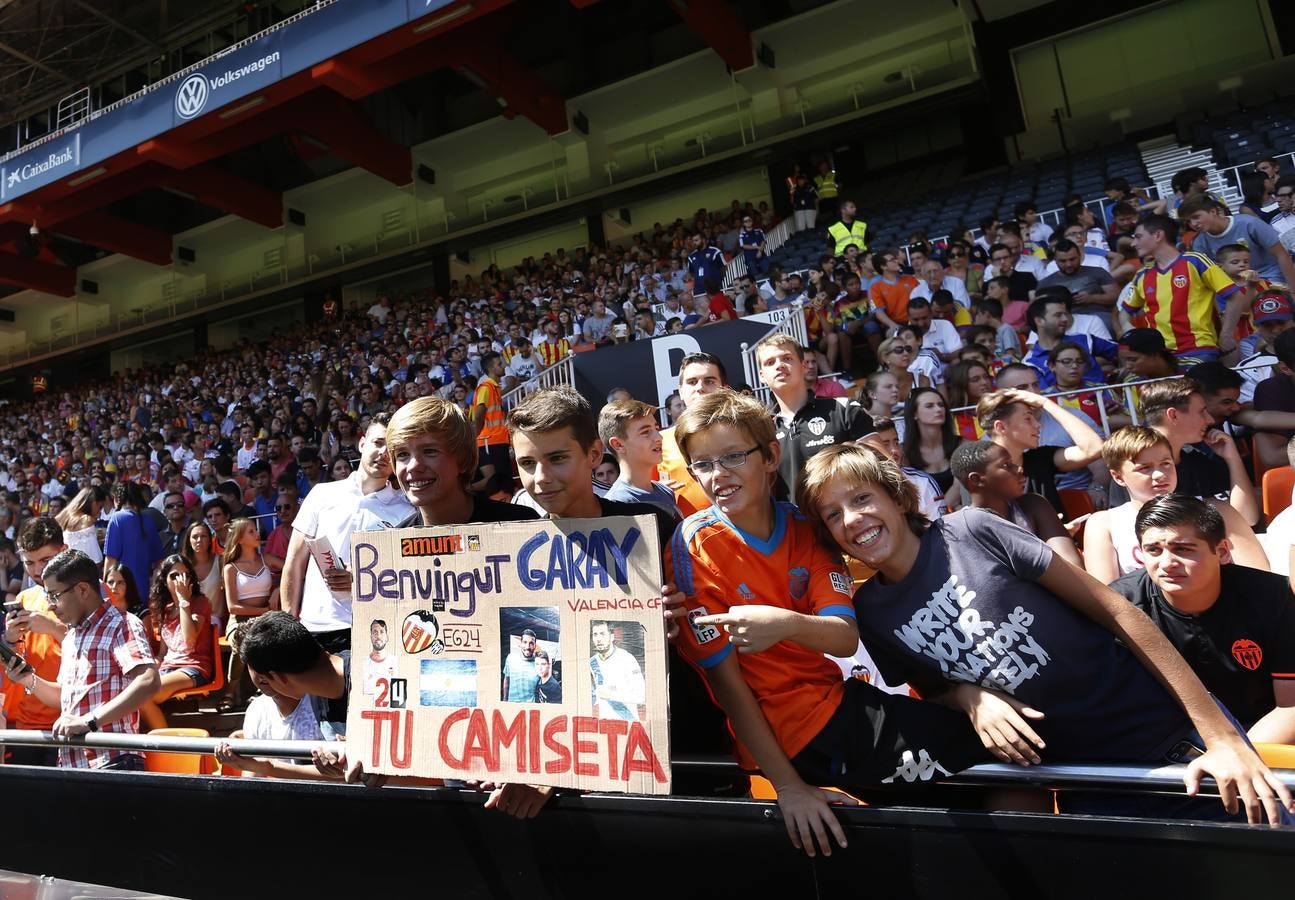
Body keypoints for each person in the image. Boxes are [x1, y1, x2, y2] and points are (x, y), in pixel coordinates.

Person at [797, 443, 1294, 825]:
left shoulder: (971, 529)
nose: (852, 519)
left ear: (897, 495)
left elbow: (1118, 612)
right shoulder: (872, 609)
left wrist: (1221, 738)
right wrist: (969, 697)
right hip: (1083, 779)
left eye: (862, 498)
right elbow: (937, 694)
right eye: (833, 514)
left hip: (1169, 741)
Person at [668, 391, 993, 857]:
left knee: (999, 756)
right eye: (702, 464)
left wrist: (784, 624)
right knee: (994, 750)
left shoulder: (805, 526)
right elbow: (729, 689)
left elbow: (843, 639)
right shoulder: (693, 547)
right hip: (801, 739)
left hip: (842, 708)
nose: (717, 475)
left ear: (770, 456)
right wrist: (789, 788)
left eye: (733, 456)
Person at [1110, 495, 1295, 744]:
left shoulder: (1274, 597)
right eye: (1153, 550)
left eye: (1183, 549)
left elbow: (1290, 707)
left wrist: (1240, 759)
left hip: (1262, 735)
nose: (1166, 563)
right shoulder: (1121, 604)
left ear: (1221, 551)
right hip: (1167, 744)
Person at [3, 549, 158, 770]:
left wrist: (89, 721)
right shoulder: (72, 636)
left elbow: (148, 681)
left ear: (83, 589)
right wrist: (29, 680)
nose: (49, 605)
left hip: (113, 761)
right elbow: (64, 696)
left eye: (54, 596)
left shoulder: (122, 624)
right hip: (73, 764)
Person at [281, 414, 412, 654]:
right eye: (378, 442)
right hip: (316, 628)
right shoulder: (321, 494)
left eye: (394, 448)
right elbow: (294, 562)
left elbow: (409, 578)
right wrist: (290, 622)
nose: (384, 452)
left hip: (378, 632)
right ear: (362, 443)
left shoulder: (407, 511)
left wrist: (363, 579)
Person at [1083, 427, 1266, 584]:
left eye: (1165, 464)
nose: (1159, 474)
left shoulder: (1218, 510)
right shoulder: (1104, 524)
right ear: (1118, 477)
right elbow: (1107, 595)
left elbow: (1259, 576)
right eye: (1144, 468)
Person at [1117, 214, 1254, 366]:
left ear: (1157, 235)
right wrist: (1126, 326)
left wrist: (1226, 335)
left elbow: (1234, 295)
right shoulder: (1142, 275)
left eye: (1138, 237)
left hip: (1198, 350)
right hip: (1161, 357)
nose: (1133, 243)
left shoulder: (1195, 261)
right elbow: (1125, 312)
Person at [756, 334, 873, 497]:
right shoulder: (762, 433)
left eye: (787, 358)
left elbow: (882, 471)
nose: (779, 365)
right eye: (770, 362)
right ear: (762, 375)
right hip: (793, 522)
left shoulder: (844, 410)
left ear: (803, 366)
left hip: (845, 520)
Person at [1132, 379, 1259, 525]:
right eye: (1202, 412)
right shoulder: (1133, 468)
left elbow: (1247, 519)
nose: (1210, 420)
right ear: (1173, 415)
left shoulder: (1201, 462)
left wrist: (1233, 458)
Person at [0, 518, 68, 765]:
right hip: (28, 727)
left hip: (70, 724)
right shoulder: (25, 598)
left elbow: (95, 652)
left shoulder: (90, 594)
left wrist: (53, 628)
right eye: (29, 563)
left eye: (45, 561)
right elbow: (13, 667)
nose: (37, 571)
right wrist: (10, 639)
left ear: (64, 551)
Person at [950, 440, 1080, 566]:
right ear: (977, 479)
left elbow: (1072, 567)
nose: (1019, 469)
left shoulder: (1033, 505)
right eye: (1007, 465)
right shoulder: (963, 530)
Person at [978, 388, 1102, 514]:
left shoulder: (1041, 458)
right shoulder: (977, 472)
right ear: (1001, 427)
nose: (1038, 425)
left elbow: (1094, 448)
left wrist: (1045, 403)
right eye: (1028, 419)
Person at [138, 554, 215, 731]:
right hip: (168, 667)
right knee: (131, 691)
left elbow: (189, 641)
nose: (181, 580)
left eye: (185, 575)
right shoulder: (165, 609)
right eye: (174, 576)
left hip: (193, 667)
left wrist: (183, 602)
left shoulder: (200, 603)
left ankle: (166, 746)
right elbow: (163, 653)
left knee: (143, 696)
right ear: (165, 581)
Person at [658, 353, 727, 518]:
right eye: (692, 382)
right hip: (687, 540)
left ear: (724, 388)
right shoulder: (658, 442)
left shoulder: (745, 433)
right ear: (681, 391)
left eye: (709, 381)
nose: (700, 388)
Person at [1182, 193, 1295, 286]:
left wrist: (1293, 291)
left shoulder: (1249, 223)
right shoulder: (1199, 244)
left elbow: (1282, 255)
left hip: (1271, 279)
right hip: (1237, 288)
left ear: (1213, 212)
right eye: (1188, 221)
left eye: (1196, 217)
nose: (1193, 224)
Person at [598, 399, 679, 517]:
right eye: (646, 432)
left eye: (656, 429)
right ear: (618, 445)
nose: (659, 437)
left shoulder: (665, 490)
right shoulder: (618, 505)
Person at [1022, 291, 1118, 389]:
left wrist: (1126, 367)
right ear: (1039, 321)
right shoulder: (1031, 363)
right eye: (1058, 315)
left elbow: (1120, 351)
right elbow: (1046, 397)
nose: (1065, 319)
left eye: (1065, 314)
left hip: (1104, 401)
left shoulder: (1084, 339)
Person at [860, 418, 946, 522]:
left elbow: (943, 529)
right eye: (885, 444)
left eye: (896, 443)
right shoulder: (860, 489)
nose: (895, 450)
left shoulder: (923, 482)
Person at [102, 480, 163, 594]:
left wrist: (105, 591)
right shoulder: (149, 521)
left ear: (117, 498)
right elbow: (159, 562)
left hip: (120, 590)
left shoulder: (117, 518)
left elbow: (111, 560)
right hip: (144, 589)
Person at [900, 387, 960, 500]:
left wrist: (944, 512)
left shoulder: (962, 445)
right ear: (914, 413)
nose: (938, 409)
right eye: (929, 406)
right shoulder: (903, 453)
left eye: (941, 405)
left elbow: (959, 486)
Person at [472, 352, 511, 496]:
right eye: (499, 364)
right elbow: (479, 414)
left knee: (505, 483)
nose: (503, 366)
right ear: (490, 368)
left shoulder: (494, 388)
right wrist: (476, 436)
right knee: (500, 485)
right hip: (489, 442)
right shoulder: (486, 387)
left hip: (497, 440)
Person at [590, 620, 645, 720]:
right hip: (604, 727)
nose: (598, 639)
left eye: (602, 634)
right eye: (595, 635)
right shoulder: (591, 663)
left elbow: (641, 696)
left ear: (612, 637)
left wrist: (611, 695)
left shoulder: (627, 659)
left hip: (627, 723)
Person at [180, 522, 225, 622]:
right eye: (195, 537)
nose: (199, 540)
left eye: (203, 536)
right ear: (189, 541)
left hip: (214, 619)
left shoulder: (221, 561)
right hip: (189, 618)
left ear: (210, 540)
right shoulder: (182, 565)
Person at [55, 486, 102, 564]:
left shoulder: (65, 516)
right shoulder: (86, 520)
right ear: (94, 503)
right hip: (81, 572)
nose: (100, 512)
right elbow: (95, 559)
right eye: (100, 507)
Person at [502, 628, 540, 702]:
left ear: (535, 645)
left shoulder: (539, 663)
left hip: (531, 709)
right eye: (525, 642)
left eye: (531, 643)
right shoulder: (510, 658)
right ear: (520, 643)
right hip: (512, 707)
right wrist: (504, 699)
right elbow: (507, 679)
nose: (527, 647)